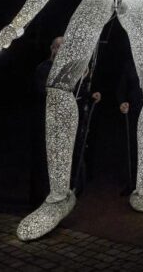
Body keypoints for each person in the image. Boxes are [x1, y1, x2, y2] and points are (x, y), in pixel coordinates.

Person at [29, 36, 101, 208]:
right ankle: (38, 200)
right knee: (43, 162)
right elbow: (45, 91)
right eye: (58, 47)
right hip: (46, 123)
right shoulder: (44, 68)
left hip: (63, 124)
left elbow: (75, 94)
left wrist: (90, 93)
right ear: (52, 48)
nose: (61, 50)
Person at [117, 58, 143, 195]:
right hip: (134, 110)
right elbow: (122, 87)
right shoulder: (130, 65)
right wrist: (122, 102)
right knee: (133, 146)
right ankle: (132, 183)